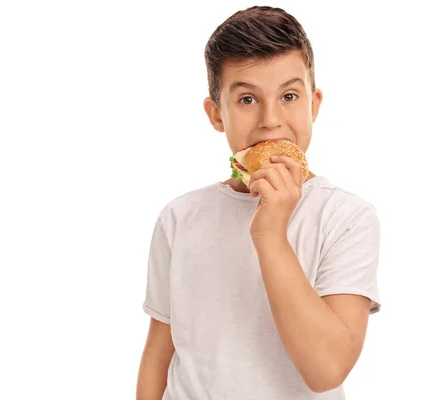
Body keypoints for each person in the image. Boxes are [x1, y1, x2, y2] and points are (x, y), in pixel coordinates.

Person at [136, 6, 381, 400]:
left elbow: (327, 370)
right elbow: (158, 355)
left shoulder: (346, 217)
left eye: (288, 95)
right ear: (217, 114)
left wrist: (270, 233)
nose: (271, 120)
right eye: (247, 99)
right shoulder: (179, 218)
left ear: (314, 105)